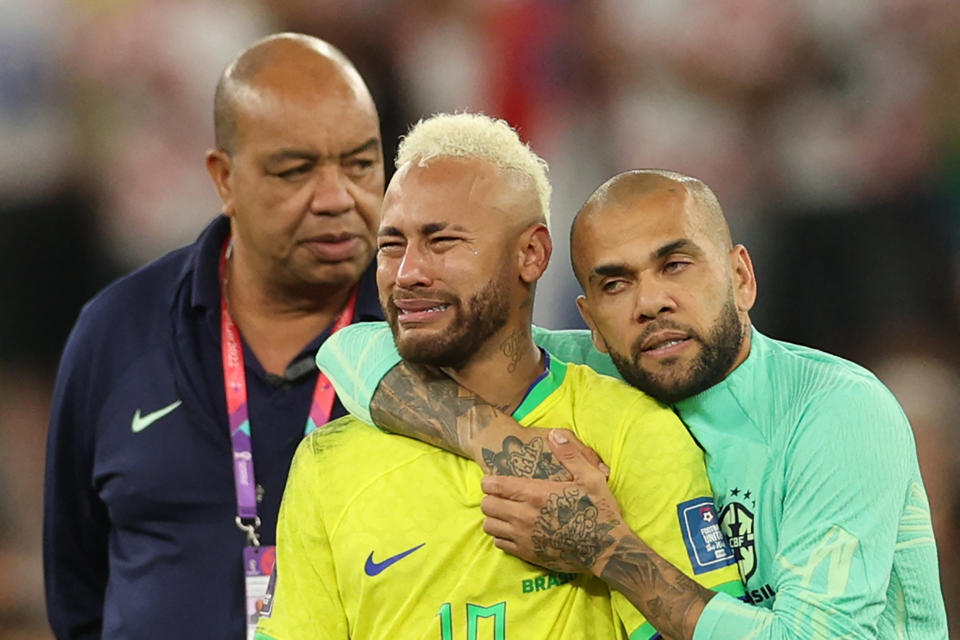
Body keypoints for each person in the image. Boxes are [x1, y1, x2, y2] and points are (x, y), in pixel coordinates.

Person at [316, 169, 950, 639]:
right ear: (590, 321)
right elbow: (357, 350)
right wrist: (498, 441)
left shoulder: (835, 412)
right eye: (616, 283)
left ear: (741, 277)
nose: (650, 303)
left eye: (676, 265)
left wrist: (607, 550)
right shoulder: (600, 368)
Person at [255, 115, 743, 640]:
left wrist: (603, 548)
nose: (407, 272)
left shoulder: (631, 432)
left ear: (530, 254)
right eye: (392, 246)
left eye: (441, 241)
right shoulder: (328, 464)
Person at [43, 33, 386, 640]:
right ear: (224, 178)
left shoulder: (424, 334)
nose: (337, 198)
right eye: (296, 169)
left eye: (361, 164)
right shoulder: (117, 332)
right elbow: (76, 590)